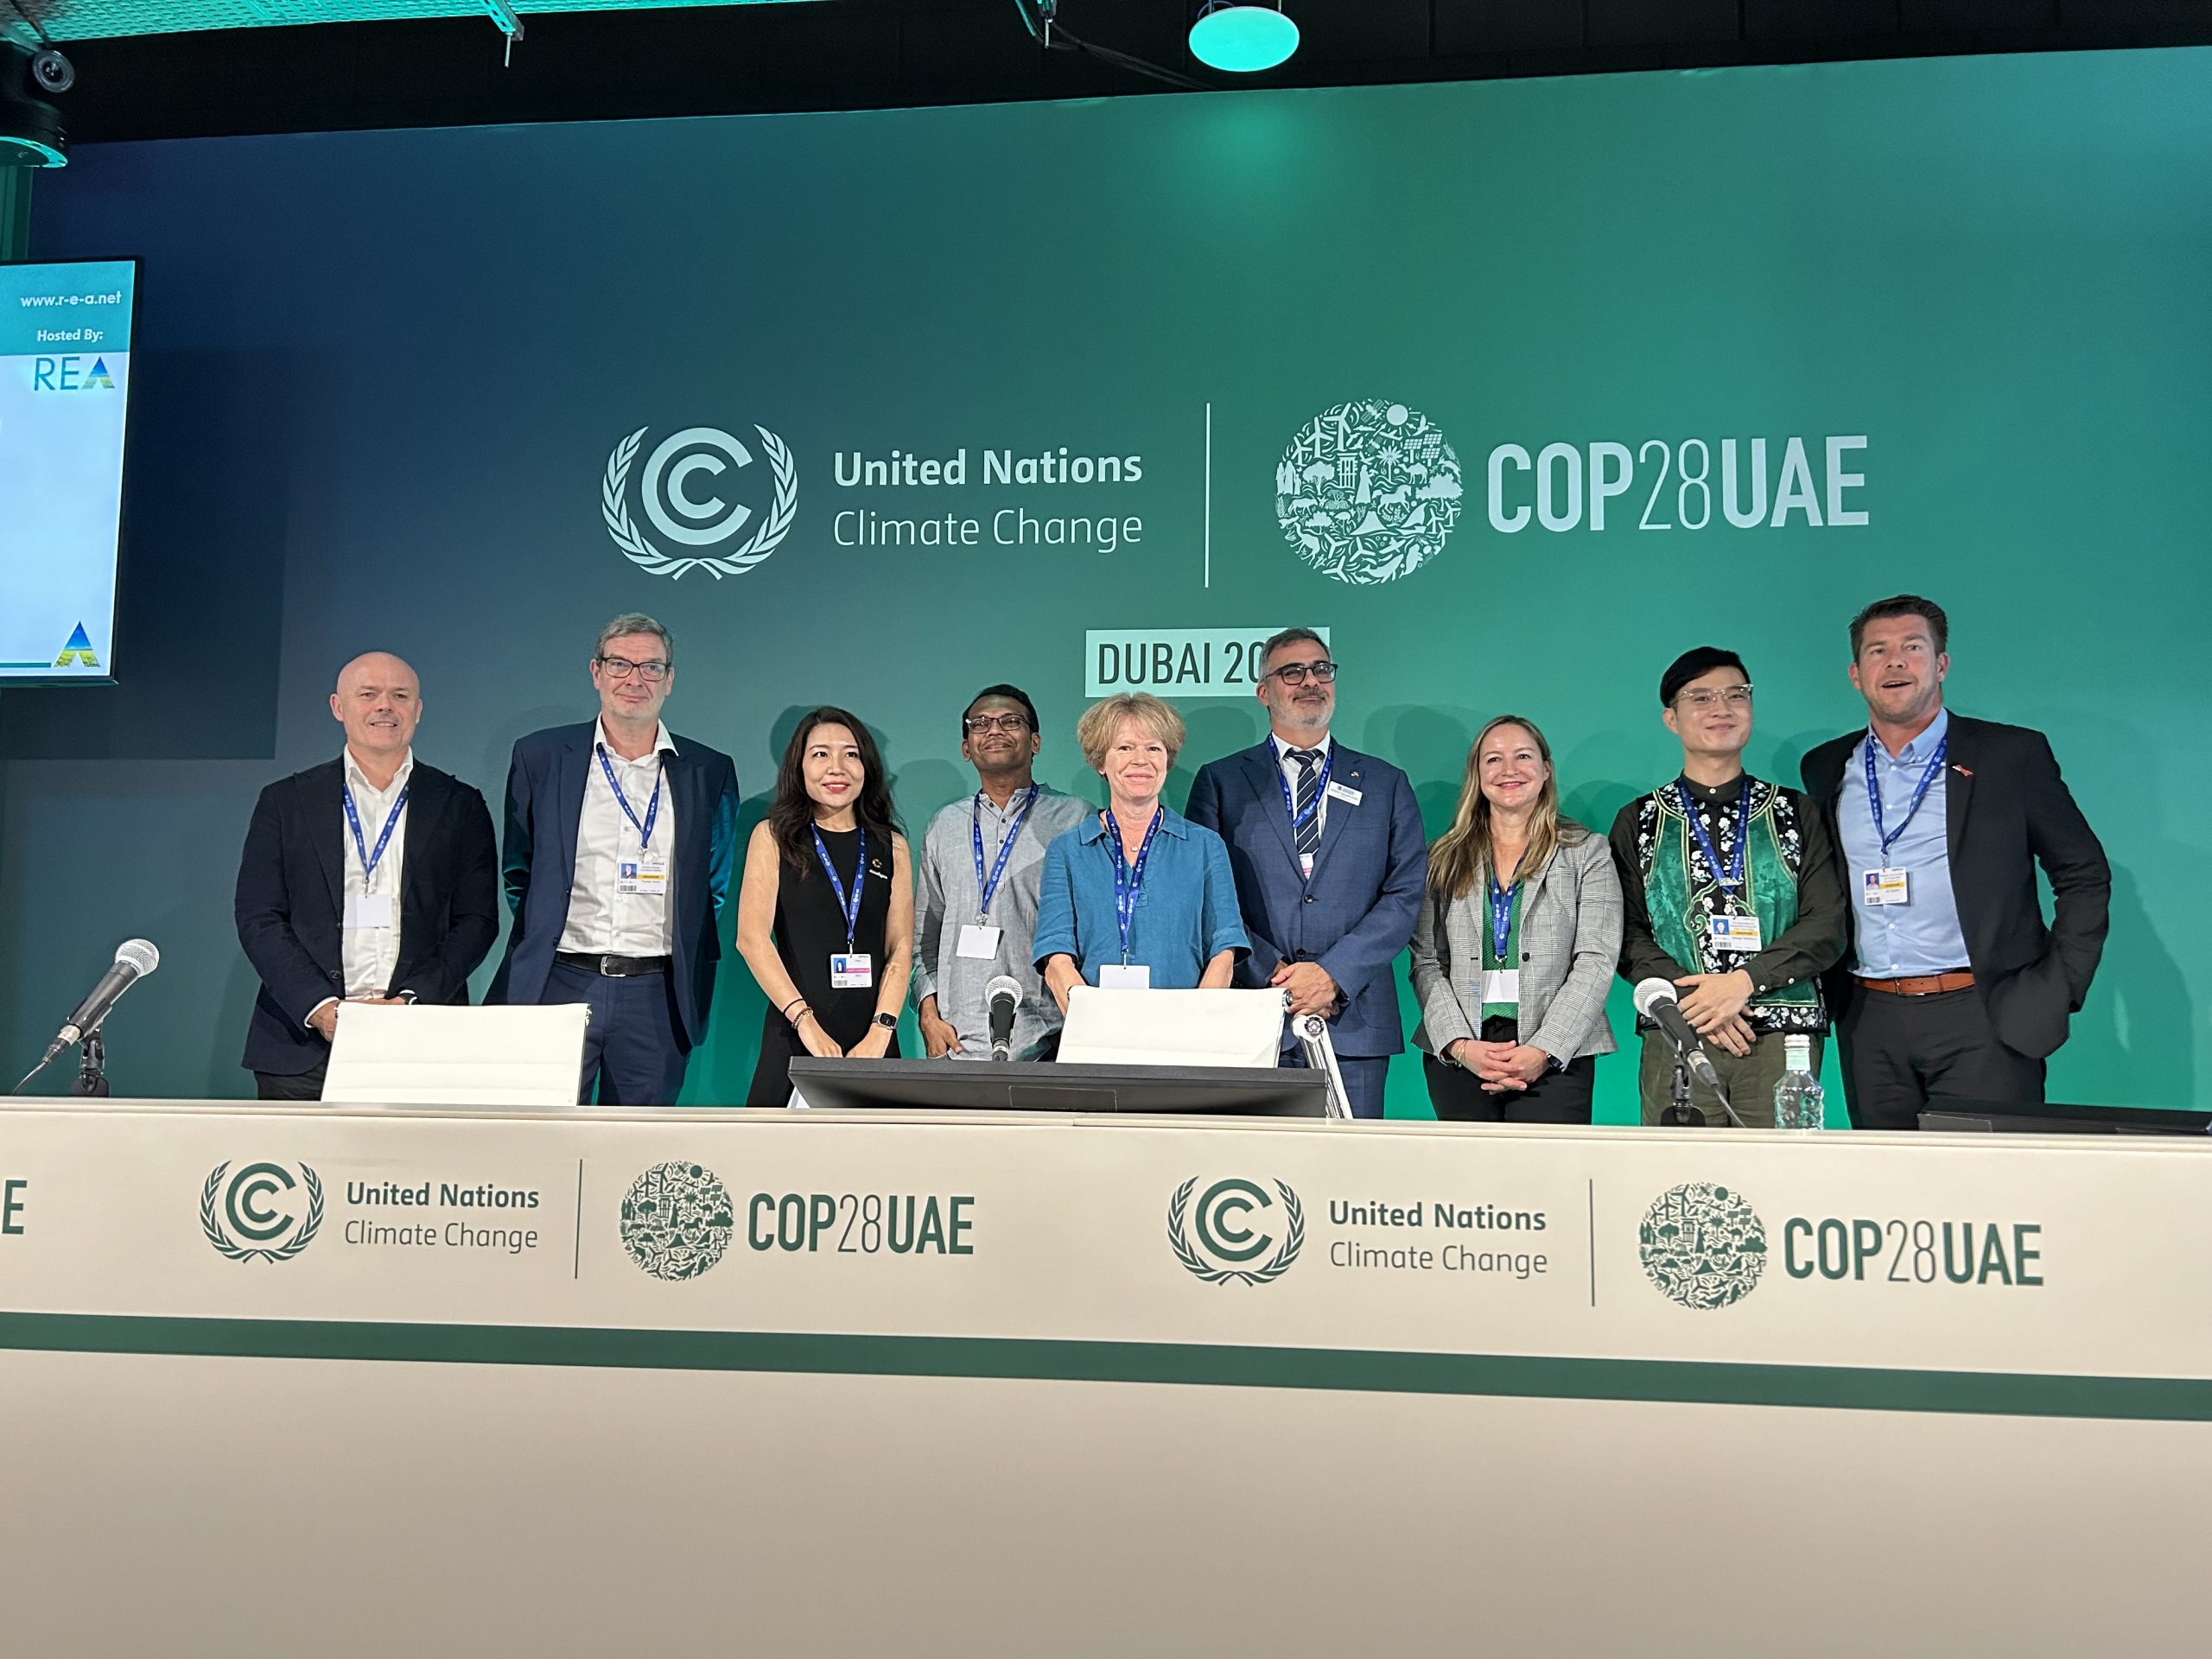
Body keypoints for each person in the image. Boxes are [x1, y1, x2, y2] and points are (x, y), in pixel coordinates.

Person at [1800, 594, 2109, 1128]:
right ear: (1856, 674)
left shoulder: (2010, 755)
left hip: (1983, 1014)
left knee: (1990, 1179)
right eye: (1877, 651)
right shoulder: (1827, 766)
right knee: (1885, 1179)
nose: (1895, 662)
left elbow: (2083, 873)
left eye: (1913, 647)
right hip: (1868, 1019)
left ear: (1941, 664)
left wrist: (2054, 989)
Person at [486, 613, 741, 1105]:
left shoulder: (708, 770)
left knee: (638, 1142)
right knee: (545, 1134)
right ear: (596, 672)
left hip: (657, 994)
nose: (634, 679)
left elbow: (712, 884)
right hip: (558, 981)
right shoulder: (541, 756)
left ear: (669, 679)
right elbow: (519, 870)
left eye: (651, 667)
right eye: (620, 664)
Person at [233, 651, 499, 1100]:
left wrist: (412, 1001)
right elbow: (259, 916)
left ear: (418, 709)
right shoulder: (286, 801)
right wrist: (320, 1007)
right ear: (338, 707)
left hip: (422, 1040)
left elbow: (477, 921)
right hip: (303, 1047)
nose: (385, 706)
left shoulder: (460, 804)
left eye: (400, 696)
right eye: (368, 694)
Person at [1186, 628, 1426, 1119]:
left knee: (1350, 1164)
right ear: (1264, 692)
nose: (1310, 681)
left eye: (1321, 669)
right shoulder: (1221, 781)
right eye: (1292, 672)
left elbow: (1405, 894)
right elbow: (1205, 895)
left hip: (1353, 1020)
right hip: (1254, 1015)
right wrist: (1272, 975)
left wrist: (1333, 975)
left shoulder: (1385, 783)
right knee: (1257, 1163)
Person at [1610, 647, 1848, 1127]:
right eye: (1701, 697)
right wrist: (1697, 1004)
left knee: (1778, 1169)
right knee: (1680, 1171)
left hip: (1783, 1035)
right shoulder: (1640, 820)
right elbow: (1624, 933)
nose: (1721, 708)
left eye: (1736, 695)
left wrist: (1743, 983)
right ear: (1671, 719)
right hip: (1679, 1033)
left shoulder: (1796, 812)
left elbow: (1827, 923)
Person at [1410, 715, 1622, 1123]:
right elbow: (1426, 961)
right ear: (1477, 774)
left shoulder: (1587, 853)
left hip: (1557, 1052)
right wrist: (1459, 1045)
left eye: (1523, 756)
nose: (1509, 769)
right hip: (1461, 1052)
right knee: (1469, 1167)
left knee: (1545, 1167)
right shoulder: (1441, 857)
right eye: (1494, 759)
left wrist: (1545, 1049)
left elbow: (1596, 959)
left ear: (1546, 770)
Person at [738, 708, 913, 1105]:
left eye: (850, 754)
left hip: (873, 1038)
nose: (837, 768)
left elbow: (900, 948)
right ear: (798, 766)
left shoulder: (892, 846)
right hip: (796, 1032)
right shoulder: (773, 837)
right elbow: (751, 940)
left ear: (866, 766)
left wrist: (882, 1031)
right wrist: (805, 1022)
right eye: (820, 754)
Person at [912, 684, 1093, 1062]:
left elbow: (1094, 931)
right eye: (980, 724)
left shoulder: (1076, 819)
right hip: (957, 1044)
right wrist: (928, 1015)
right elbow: (925, 937)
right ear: (966, 748)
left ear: (1035, 742)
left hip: (1051, 1042)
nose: (994, 729)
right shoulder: (944, 825)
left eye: (1011, 721)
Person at [1034, 692, 1246, 1007]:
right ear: (1100, 761)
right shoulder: (1067, 851)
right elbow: (1056, 957)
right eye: (1125, 748)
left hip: (1182, 1029)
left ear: (1167, 759)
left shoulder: (1205, 846)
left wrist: (1195, 1022)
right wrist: (1091, 1021)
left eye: (1153, 748)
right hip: (1096, 1029)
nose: (1140, 760)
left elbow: (1224, 950)